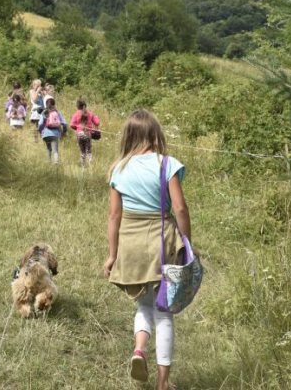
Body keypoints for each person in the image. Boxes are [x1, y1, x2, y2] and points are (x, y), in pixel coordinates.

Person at [103, 110, 191, 389]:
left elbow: (114, 216)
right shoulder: (166, 165)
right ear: (156, 135)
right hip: (161, 243)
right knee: (164, 312)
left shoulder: (119, 169)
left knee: (143, 304)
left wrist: (113, 255)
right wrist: (186, 242)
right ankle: (163, 384)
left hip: (131, 243)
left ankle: (139, 349)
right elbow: (179, 207)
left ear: (128, 136)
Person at [69, 99, 101, 167]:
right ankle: (91, 163)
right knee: (88, 151)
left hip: (79, 134)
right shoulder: (90, 113)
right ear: (85, 106)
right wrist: (96, 117)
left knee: (82, 151)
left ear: (77, 106)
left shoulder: (76, 114)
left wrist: (78, 129)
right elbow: (97, 123)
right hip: (88, 134)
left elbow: (71, 125)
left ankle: (82, 165)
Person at [38, 96, 67, 164]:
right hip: (55, 134)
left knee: (48, 149)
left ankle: (48, 162)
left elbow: (40, 123)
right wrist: (64, 132)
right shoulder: (57, 112)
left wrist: (40, 131)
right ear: (54, 104)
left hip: (45, 134)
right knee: (55, 150)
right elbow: (65, 123)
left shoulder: (44, 113)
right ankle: (56, 162)